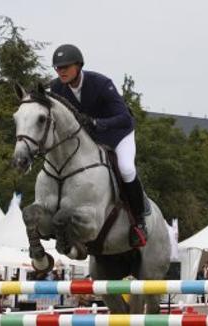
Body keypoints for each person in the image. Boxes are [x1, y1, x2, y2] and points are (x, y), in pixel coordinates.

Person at [49, 44, 148, 247]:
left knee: (127, 168)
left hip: (118, 134)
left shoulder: (101, 84)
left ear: (79, 66)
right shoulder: (56, 88)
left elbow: (124, 118)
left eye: (66, 67)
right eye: (58, 68)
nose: (61, 72)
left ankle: (139, 221)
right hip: (90, 139)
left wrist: (97, 123)